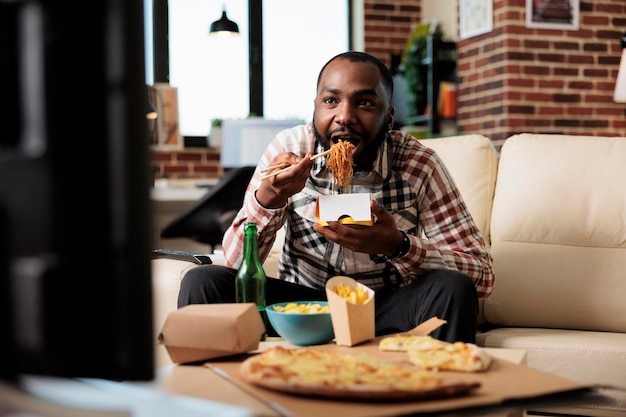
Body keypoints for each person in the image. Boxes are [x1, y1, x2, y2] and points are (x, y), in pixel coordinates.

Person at [178, 51, 494, 343]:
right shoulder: (288, 147)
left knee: (453, 288)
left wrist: (397, 245)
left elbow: (481, 276)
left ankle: (443, 397)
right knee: (203, 282)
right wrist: (268, 199)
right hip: (298, 307)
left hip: (382, 308)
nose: (344, 117)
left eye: (365, 103)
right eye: (331, 101)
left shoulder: (418, 163)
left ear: (389, 117)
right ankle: (212, 400)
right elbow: (235, 264)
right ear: (314, 108)